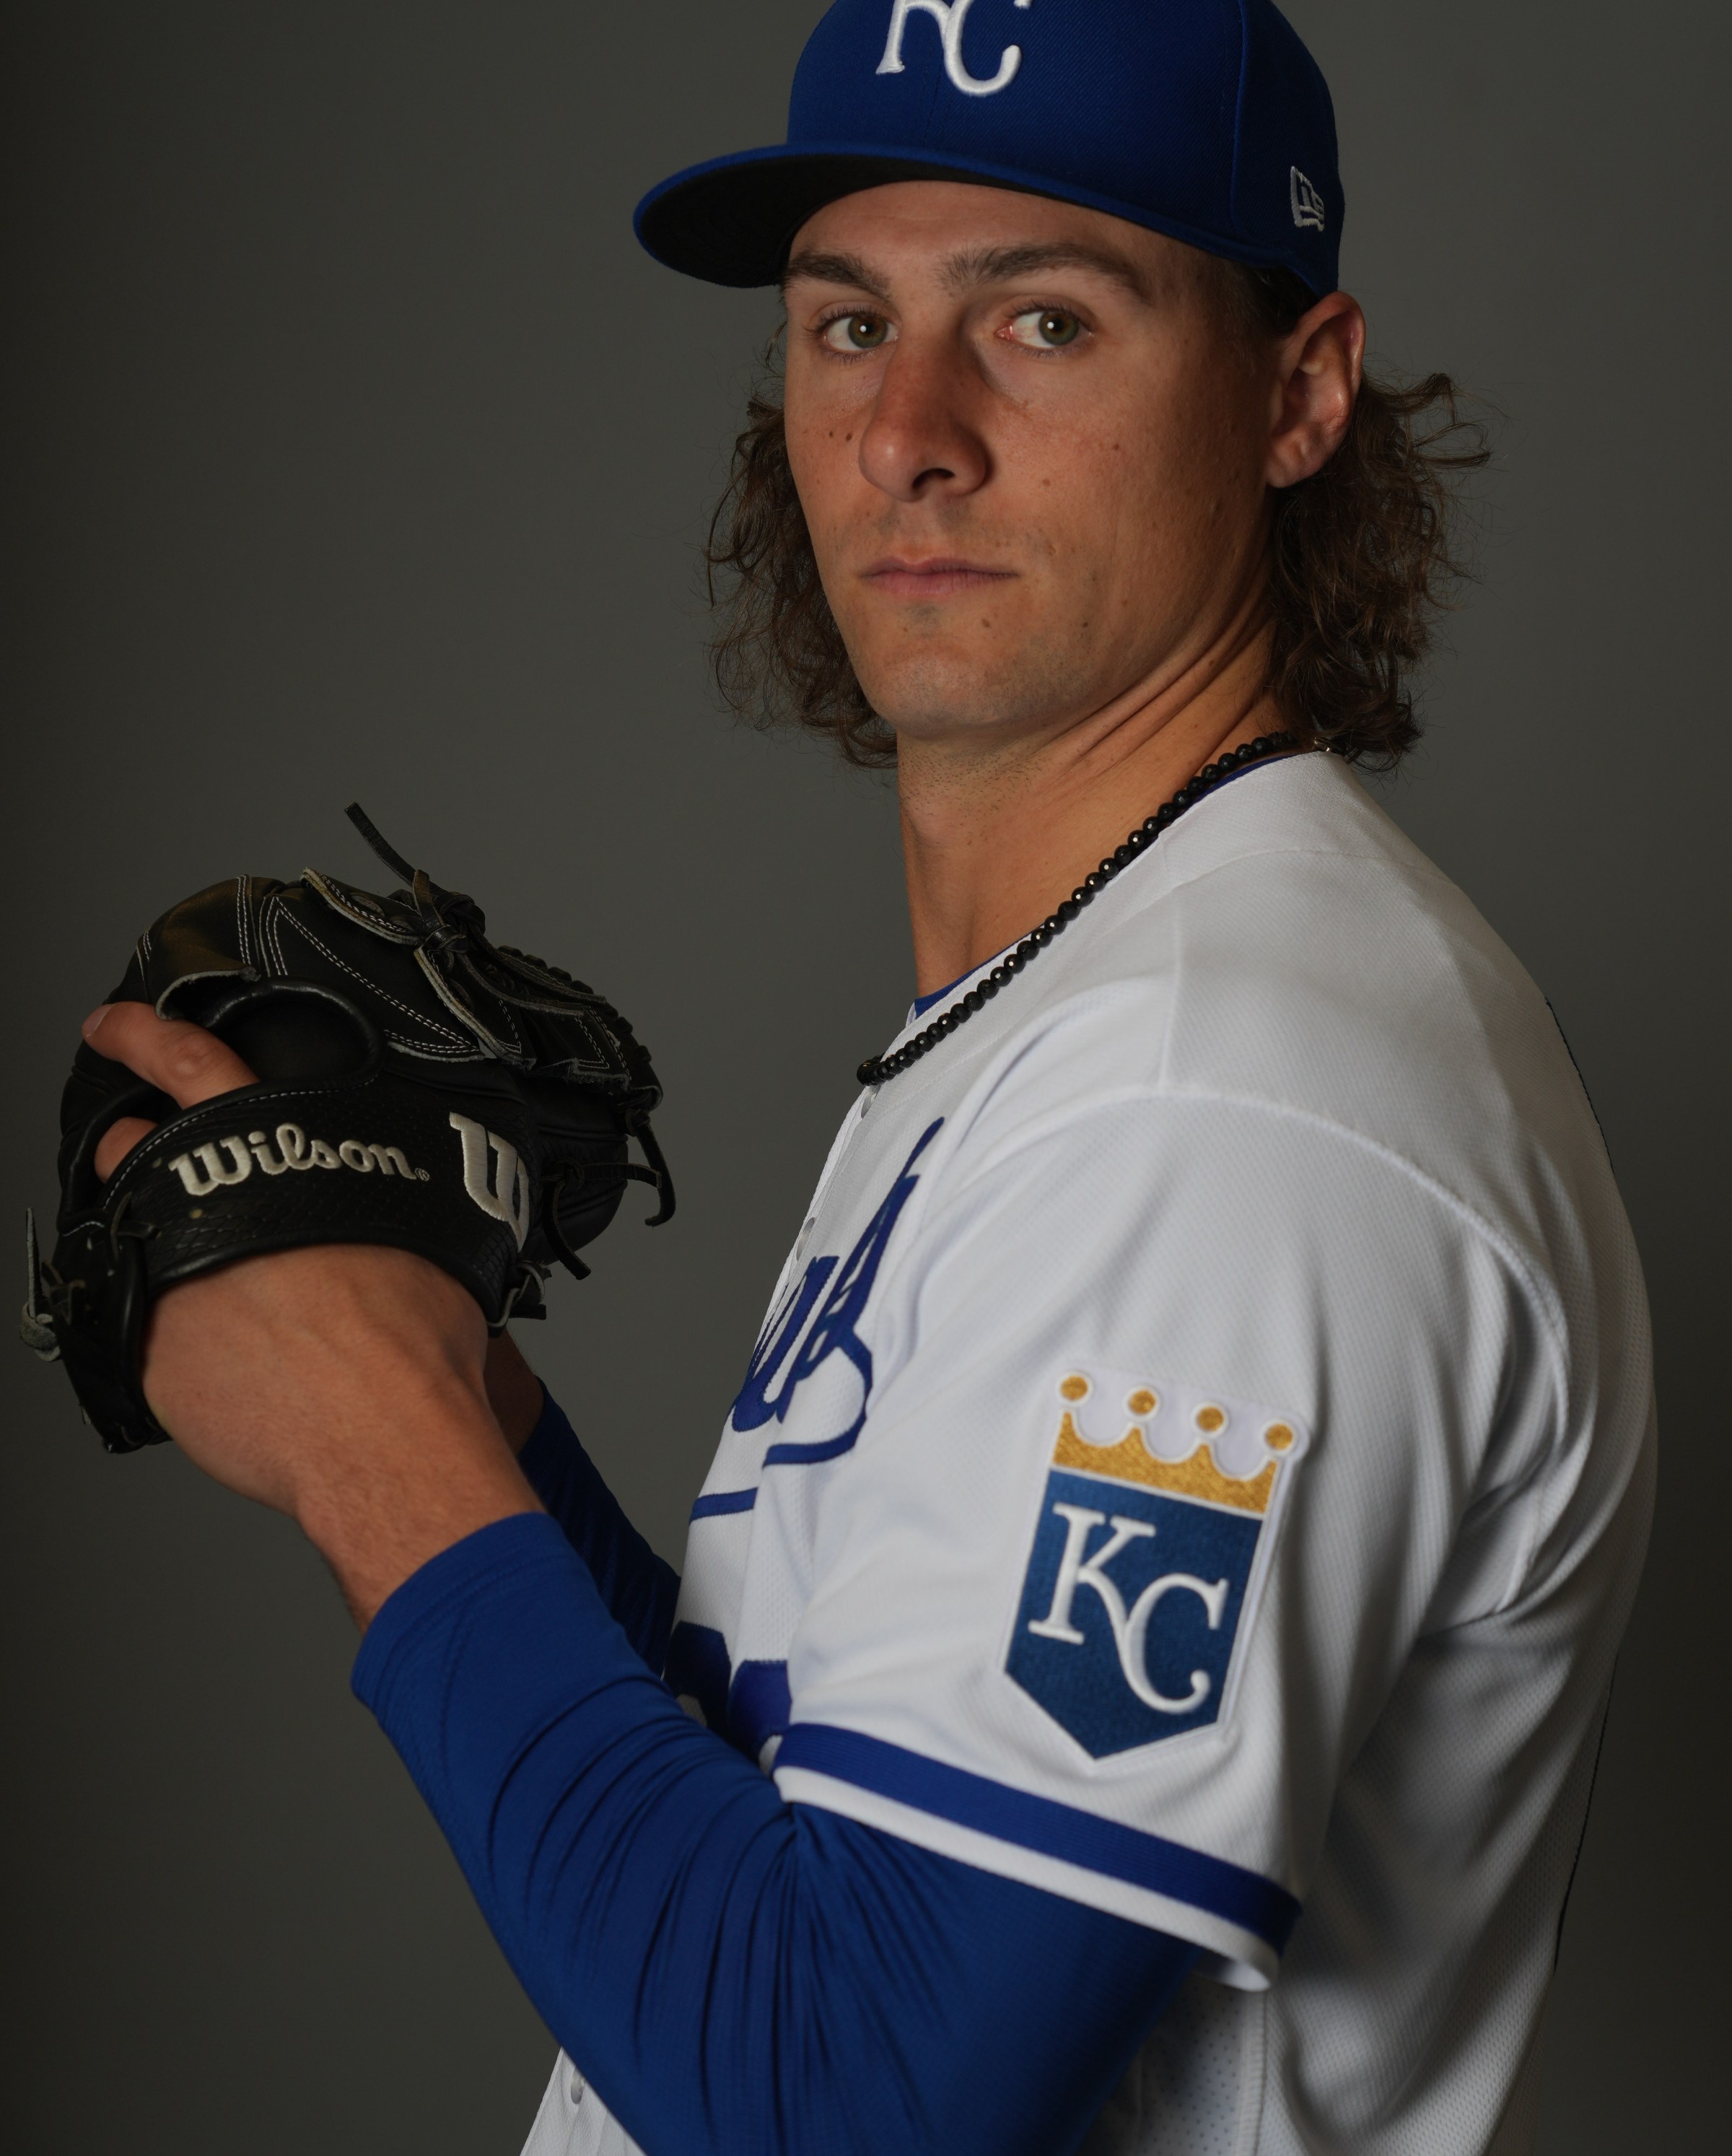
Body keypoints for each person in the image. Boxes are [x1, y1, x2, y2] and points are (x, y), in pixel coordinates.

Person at [77, 4, 1655, 2152]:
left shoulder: (1224, 1107)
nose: (911, 428)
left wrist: (374, 1445)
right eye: (845, 324)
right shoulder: (1103, 994)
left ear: (1298, 393)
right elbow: (813, 1791)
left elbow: (856, 2103)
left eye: (1044, 316)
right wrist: (461, 1403)